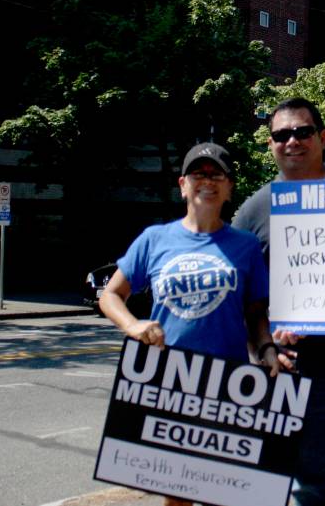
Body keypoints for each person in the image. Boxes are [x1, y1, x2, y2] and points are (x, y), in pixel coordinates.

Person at [99, 142, 286, 506]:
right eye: (199, 174)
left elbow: (255, 315)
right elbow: (110, 295)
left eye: (217, 175)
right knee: (177, 494)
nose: (208, 181)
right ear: (183, 184)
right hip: (170, 381)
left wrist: (266, 349)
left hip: (228, 386)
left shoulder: (245, 246)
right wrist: (133, 325)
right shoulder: (155, 239)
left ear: (230, 187)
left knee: (226, 493)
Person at [233, 97, 325, 506]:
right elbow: (234, 290)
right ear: (271, 144)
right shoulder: (257, 208)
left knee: (310, 475)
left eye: (303, 132)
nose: (292, 141)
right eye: (281, 135)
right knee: (266, 473)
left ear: (322, 137)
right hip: (278, 363)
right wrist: (261, 345)